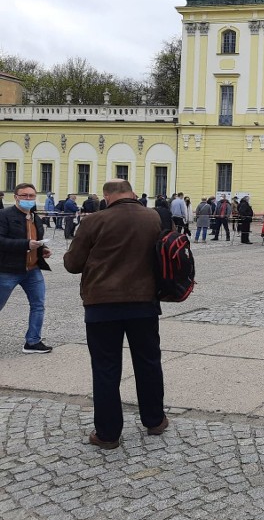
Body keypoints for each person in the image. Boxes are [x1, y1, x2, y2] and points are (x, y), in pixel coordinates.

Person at [64, 179, 169, 449]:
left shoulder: (94, 221)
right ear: (132, 194)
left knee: (106, 368)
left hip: (102, 305)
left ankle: (108, 434)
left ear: (107, 197)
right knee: (148, 362)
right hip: (144, 302)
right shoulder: (153, 218)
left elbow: (73, 264)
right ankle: (155, 420)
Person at [0, 183, 53, 354]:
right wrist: (26, 244)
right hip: (7, 269)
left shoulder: (35, 217)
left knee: (38, 305)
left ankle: (32, 341)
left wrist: (41, 250)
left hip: (32, 269)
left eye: (31, 195)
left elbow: (36, 240)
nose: (28, 199)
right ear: (16, 197)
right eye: (24, 196)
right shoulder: (4, 215)